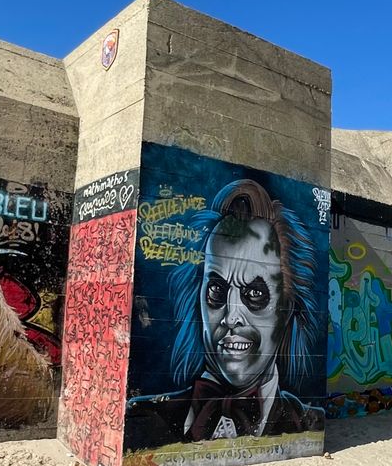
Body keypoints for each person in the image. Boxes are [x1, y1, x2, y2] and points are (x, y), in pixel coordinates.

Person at [127, 179, 323, 447]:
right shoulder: (141, 422)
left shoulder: (310, 424)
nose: (231, 317)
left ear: (286, 310)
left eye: (254, 293)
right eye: (217, 290)